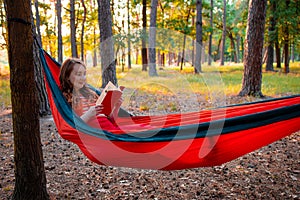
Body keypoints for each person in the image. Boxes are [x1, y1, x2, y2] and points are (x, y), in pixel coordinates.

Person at [59, 58, 122, 129]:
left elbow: (111, 119)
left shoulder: (91, 94)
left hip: (107, 127)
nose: (83, 78)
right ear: (67, 77)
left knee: (132, 131)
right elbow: (72, 126)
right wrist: (89, 114)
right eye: (78, 74)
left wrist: (117, 106)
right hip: (94, 131)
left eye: (84, 74)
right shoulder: (66, 98)